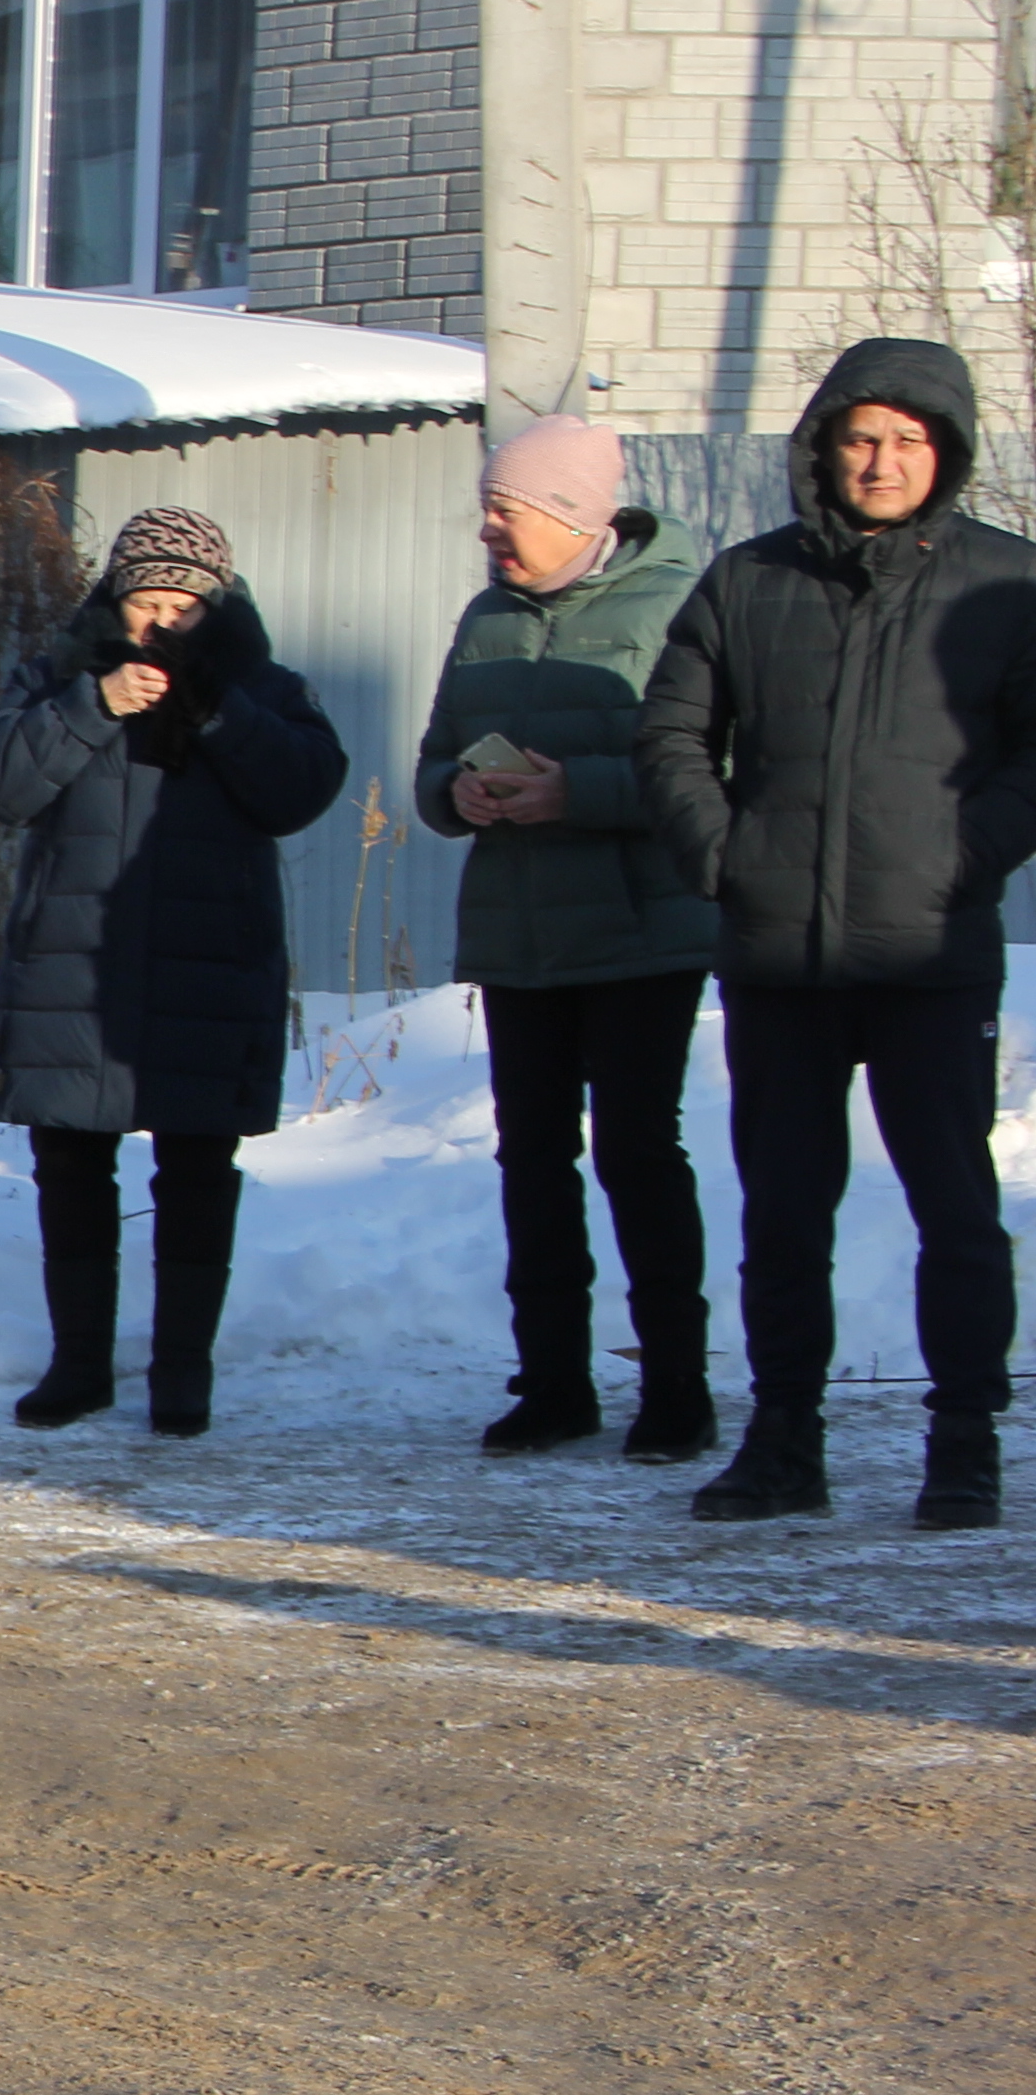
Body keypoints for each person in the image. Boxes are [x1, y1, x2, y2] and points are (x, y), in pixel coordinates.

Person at [640, 338, 1028, 1532]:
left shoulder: (1006, 589)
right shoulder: (748, 583)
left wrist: (962, 859)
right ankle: (781, 1443)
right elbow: (672, 733)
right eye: (862, 436)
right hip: (780, 961)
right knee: (782, 1210)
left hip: (927, 956)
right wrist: (728, 858)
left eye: (911, 439)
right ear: (823, 446)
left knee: (955, 1209)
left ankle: (964, 1444)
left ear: (947, 454)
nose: (883, 459)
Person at [0, 507, 345, 1437]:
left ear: (215, 606)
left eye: (183, 604)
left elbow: (302, 788)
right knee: (70, 1161)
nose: (161, 623)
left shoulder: (268, 687)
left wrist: (218, 710)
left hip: (211, 960)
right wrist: (93, 708)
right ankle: (79, 1365)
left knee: (199, 1165)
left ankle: (183, 1374)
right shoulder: (57, 677)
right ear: (116, 602)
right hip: (74, 957)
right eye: (146, 603)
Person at [412, 414, 716, 1461]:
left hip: (644, 933)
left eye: (509, 510)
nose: (490, 529)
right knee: (531, 1161)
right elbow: (431, 767)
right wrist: (461, 794)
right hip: (519, 936)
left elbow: (715, 775)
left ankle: (677, 1388)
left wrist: (572, 793)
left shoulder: (679, 606)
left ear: (572, 515)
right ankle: (553, 1384)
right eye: (489, 509)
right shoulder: (485, 618)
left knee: (638, 1153)